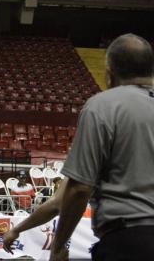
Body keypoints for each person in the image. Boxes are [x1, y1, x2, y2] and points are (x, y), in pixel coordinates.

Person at [49, 34, 154, 261]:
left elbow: (79, 189)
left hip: (129, 239)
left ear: (109, 71)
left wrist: (58, 245)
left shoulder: (103, 105)